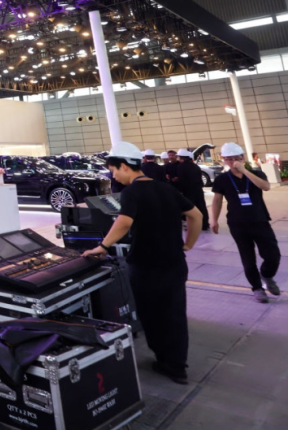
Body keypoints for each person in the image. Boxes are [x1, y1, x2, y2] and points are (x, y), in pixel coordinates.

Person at [84, 141, 202, 384]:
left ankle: (164, 361)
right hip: (174, 263)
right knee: (175, 314)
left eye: (113, 170)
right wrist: (188, 244)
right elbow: (196, 215)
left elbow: (124, 222)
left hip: (147, 266)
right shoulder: (166, 188)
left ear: (124, 166)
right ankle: (177, 365)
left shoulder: (132, 192)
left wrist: (103, 246)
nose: (113, 176)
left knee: (152, 315)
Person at [211, 142, 281, 303]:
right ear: (223, 160)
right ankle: (257, 288)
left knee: (273, 255)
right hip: (237, 224)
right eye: (228, 159)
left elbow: (266, 187)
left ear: (243, 158)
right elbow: (217, 200)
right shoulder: (222, 179)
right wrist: (214, 220)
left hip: (260, 220)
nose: (232, 162)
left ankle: (267, 275)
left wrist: (244, 170)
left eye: (236, 158)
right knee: (248, 259)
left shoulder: (256, 173)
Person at [175, 150, 210, 231]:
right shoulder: (195, 166)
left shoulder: (181, 167)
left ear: (180, 157)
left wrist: (180, 190)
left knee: (190, 208)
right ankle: (204, 224)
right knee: (201, 206)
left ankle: (193, 225)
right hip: (198, 189)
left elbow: (182, 180)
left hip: (188, 190)